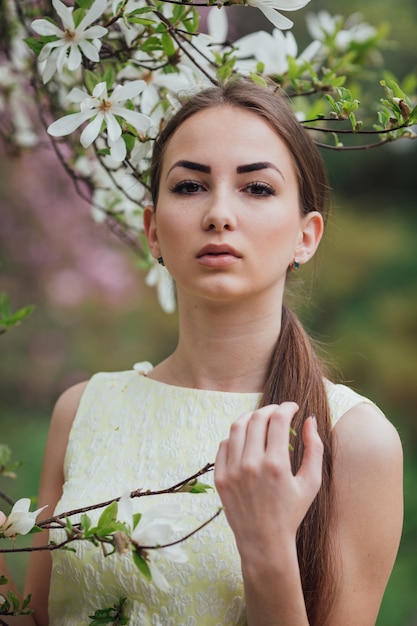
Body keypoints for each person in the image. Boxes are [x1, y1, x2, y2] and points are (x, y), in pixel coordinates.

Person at [2, 79, 403, 625]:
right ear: (153, 232)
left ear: (305, 237)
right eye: (190, 186)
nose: (218, 213)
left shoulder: (352, 438)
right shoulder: (82, 411)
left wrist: (267, 545)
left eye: (256, 188)